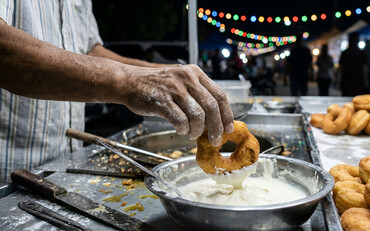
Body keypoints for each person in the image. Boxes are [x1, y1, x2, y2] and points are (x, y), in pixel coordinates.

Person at [0, 1, 234, 182]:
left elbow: (89, 51)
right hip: (9, 172)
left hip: (64, 164)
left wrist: (162, 73)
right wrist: (129, 82)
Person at [339, 32, 368, 96]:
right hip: (358, 79)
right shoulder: (361, 52)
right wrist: (365, 80)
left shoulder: (345, 53)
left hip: (347, 79)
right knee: (358, 99)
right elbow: (364, 67)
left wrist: (338, 78)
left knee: (346, 98)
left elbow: (340, 67)